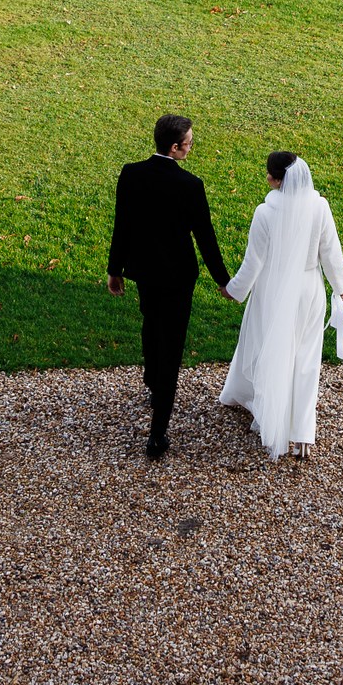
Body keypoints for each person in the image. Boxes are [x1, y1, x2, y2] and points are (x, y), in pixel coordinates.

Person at [108, 113, 230, 459]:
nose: (191, 149)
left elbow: (123, 225)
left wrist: (114, 269)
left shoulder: (131, 174)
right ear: (175, 147)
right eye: (189, 143)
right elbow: (205, 237)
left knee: (150, 320)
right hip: (177, 276)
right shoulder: (190, 185)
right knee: (172, 344)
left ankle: (151, 379)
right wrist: (222, 280)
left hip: (144, 270)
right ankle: (157, 433)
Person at [220, 152, 343, 461]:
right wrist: (341, 288)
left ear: (276, 180)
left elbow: (254, 262)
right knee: (306, 361)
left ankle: (268, 411)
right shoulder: (320, 207)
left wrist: (234, 290)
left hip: (273, 290)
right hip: (308, 291)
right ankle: (303, 433)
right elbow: (330, 253)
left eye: (269, 175)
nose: (267, 179)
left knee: (270, 349)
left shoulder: (265, 213)